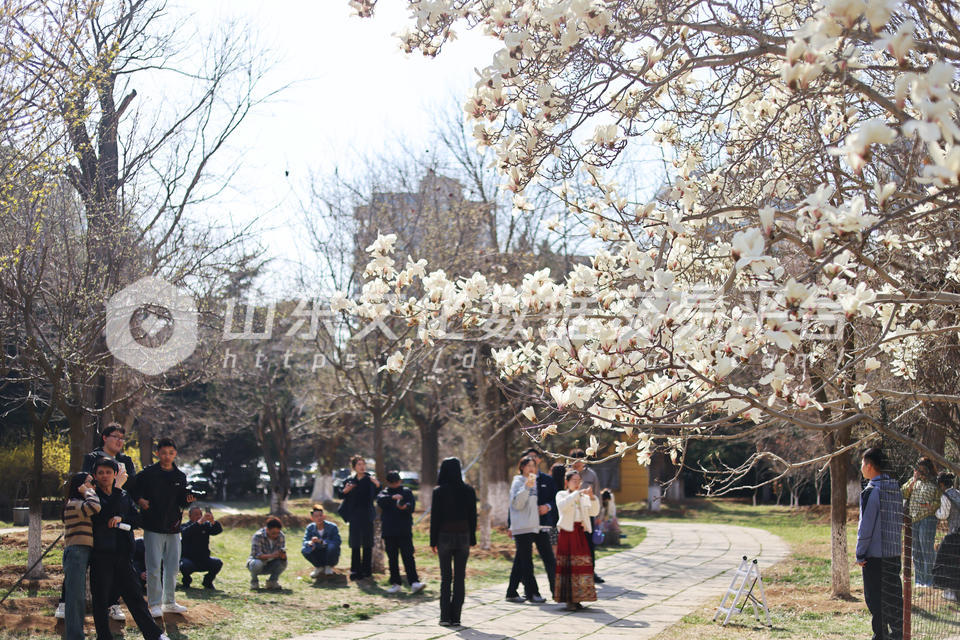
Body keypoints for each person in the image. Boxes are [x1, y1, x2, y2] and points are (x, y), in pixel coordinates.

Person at [89, 457, 170, 640]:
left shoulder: (124, 496)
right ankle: (104, 636)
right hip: (101, 555)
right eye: (100, 473)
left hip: (124, 555)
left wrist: (122, 520)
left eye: (108, 472)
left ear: (115, 474)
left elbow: (137, 519)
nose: (104, 476)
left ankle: (154, 635)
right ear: (95, 475)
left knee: (135, 597)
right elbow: (104, 515)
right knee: (101, 599)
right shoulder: (93, 495)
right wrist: (117, 490)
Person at [131, 437, 194, 617]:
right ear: (157, 453)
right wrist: (139, 500)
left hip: (174, 527)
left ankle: (170, 601)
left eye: (171, 453)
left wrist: (189, 500)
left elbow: (182, 501)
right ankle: (155, 604)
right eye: (164, 453)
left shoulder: (180, 476)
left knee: (173, 567)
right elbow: (132, 488)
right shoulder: (148, 473)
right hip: (152, 526)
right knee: (153, 567)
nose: (167, 456)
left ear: (175, 454)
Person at [81, 422, 137, 622]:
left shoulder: (126, 460)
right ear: (105, 438)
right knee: (95, 562)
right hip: (100, 512)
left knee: (122, 559)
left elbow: (133, 484)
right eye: (116, 437)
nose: (120, 441)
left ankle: (114, 603)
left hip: (122, 513)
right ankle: (68, 601)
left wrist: (121, 488)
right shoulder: (93, 457)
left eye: (123, 438)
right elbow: (86, 481)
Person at [856, 447, 903, 640]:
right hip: (894, 553)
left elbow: (865, 527)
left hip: (874, 557)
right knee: (893, 596)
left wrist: (860, 553)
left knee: (875, 599)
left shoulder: (871, 491)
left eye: (862, 464)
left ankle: (880, 635)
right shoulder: (896, 489)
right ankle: (898, 634)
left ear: (869, 465)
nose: (861, 468)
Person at [430, 457, 477, 627]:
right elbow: (473, 517)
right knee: (459, 578)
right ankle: (456, 617)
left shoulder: (438, 491)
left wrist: (432, 541)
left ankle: (444, 617)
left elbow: (435, 518)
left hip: (444, 537)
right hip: (463, 536)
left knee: (446, 578)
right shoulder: (469, 491)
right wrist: (472, 539)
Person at [506, 448, 556, 598]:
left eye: (534, 464)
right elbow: (516, 505)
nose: (531, 468)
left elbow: (552, 498)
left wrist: (546, 507)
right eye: (528, 464)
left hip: (536, 526)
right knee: (526, 561)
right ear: (521, 467)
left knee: (524, 560)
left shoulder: (540, 481)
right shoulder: (519, 482)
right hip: (523, 526)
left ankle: (512, 592)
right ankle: (532, 592)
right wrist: (527, 486)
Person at [60, 472, 101, 640]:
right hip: (76, 551)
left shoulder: (78, 503)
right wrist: (87, 491)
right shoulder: (74, 503)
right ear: (80, 486)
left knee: (79, 596)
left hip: (82, 551)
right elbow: (95, 507)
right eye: (90, 482)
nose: (94, 485)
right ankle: (75, 637)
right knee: (75, 598)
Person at [555, 469, 600, 611]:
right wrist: (576, 493)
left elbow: (594, 512)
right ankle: (569, 599)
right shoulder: (561, 494)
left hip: (579, 533)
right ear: (567, 482)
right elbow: (563, 506)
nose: (577, 483)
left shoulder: (583, 497)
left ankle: (579, 597)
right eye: (574, 481)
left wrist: (592, 498)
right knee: (568, 565)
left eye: (578, 481)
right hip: (567, 533)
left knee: (581, 564)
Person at [377, 471, 425, 593]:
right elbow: (380, 501)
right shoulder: (384, 493)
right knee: (392, 558)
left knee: (408, 556)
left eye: (397, 482)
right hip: (389, 531)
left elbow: (412, 507)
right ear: (388, 483)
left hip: (404, 530)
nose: (395, 485)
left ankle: (414, 582)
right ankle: (395, 583)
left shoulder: (406, 492)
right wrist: (392, 498)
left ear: (400, 481)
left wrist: (405, 507)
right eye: (393, 483)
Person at [902, 456, 941, 588]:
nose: (921, 472)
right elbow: (904, 493)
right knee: (916, 550)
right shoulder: (914, 482)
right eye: (919, 470)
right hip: (914, 519)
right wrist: (913, 480)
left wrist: (930, 506)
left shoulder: (935, 483)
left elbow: (939, 501)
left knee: (926, 549)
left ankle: (930, 580)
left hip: (928, 518)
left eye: (923, 470)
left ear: (929, 470)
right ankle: (919, 580)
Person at [339, 455, 380, 580]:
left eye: (363, 464)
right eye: (359, 465)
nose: (362, 467)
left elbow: (378, 493)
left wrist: (378, 485)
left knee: (367, 543)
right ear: (354, 467)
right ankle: (355, 570)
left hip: (367, 514)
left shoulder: (370, 479)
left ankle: (367, 571)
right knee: (355, 543)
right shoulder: (350, 480)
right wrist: (346, 490)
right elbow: (341, 494)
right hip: (354, 515)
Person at [570, 449, 604, 583]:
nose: (578, 463)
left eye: (580, 460)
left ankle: (591, 571)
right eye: (575, 460)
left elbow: (597, 494)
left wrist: (599, 513)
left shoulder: (591, 475)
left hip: (588, 514)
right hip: (572, 515)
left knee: (589, 545)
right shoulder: (568, 474)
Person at [180, 505, 224, 589]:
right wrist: (199, 522)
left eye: (200, 514)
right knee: (185, 566)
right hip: (188, 559)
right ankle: (186, 580)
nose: (199, 516)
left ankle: (207, 581)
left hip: (203, 559)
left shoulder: (206, 525)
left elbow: (218, 530)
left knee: (218, 563)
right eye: (196, 514)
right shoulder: (185, 526)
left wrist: (212, 521)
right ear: (190, 516)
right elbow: (185, 533)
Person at [933, 472, 960, 602]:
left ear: (941, 485)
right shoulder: (957, 493)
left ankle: (950, 593)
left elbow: (943, 514)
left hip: (954, 534)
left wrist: (934, 510)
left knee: (949, 563)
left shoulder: (945, 496)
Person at [301, 504, 341, 579]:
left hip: (330, 553)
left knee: (332, 546)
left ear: (324, 516)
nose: (319, 518)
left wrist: (321, 541)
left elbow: (337, 542)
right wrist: (309, 543)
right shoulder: (310, 527)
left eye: (320, 515)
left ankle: (328, 566)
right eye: (316, 516)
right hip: (317, 551)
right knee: (305, 549)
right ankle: (318, 567)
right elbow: (305, 541)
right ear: (312, 518)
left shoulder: (332, 527)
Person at [248, 516, 287, 590]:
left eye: (277, 533)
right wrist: (272, 555)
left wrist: (283, 556)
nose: (275, 535)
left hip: (272, 562)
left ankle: (272, 582)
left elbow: (282, 552)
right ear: (267, 530)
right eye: (273, 533)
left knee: (284, 562)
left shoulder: (281, 536)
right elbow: (257, 555)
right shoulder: (258, 536)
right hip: (257, 562)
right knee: (256, 563)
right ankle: (254, 581)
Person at [549, 463, 567, 554]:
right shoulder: (564, 488)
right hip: (562, 521)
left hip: (553, 521)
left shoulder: (550, 485)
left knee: (554, 549)